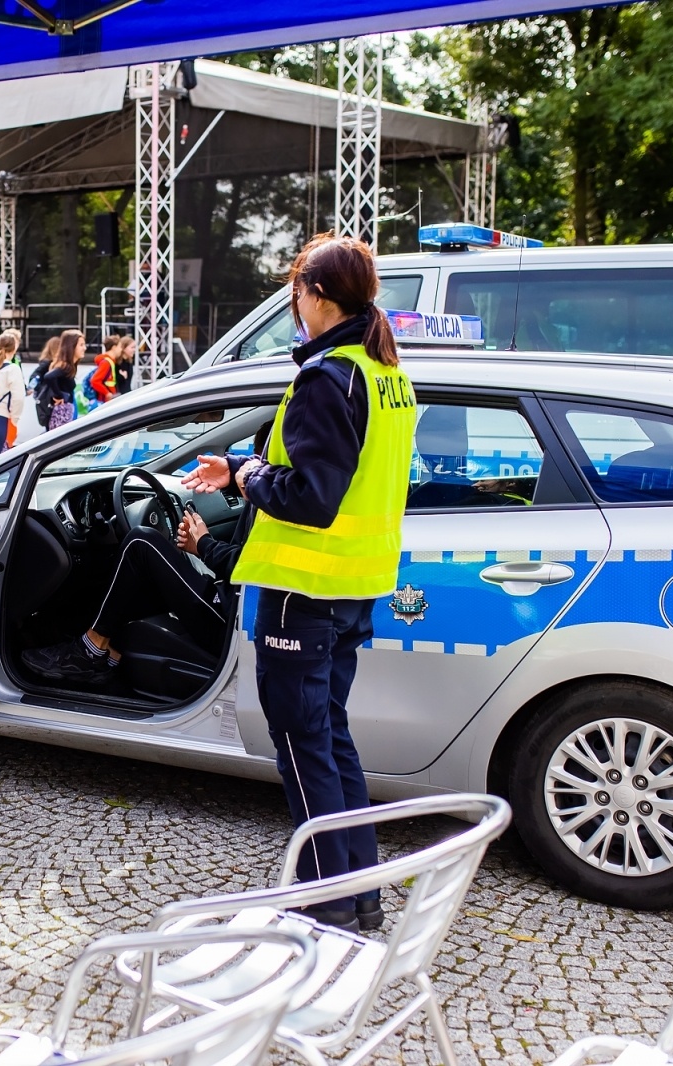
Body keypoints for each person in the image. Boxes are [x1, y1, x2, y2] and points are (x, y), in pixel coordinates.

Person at [183, 234, 416, 934]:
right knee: (328, 738)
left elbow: (313, 496)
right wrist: (244, 463)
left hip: (302, 592)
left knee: (300, 745)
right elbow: (337, 467)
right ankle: (359, 891)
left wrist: (250, 479)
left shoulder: (326, 377)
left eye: (295, 292)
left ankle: (323, 904)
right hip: (354, 585)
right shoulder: (382, 373)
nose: (294, 304)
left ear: (313, 295)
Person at [22, 422, 268, 686]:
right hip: (234, 603)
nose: (248, 468)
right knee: (149, 575)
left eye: (257, 460)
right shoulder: (269, 497)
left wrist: (204, 545)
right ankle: (113, 652)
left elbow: (250, 564)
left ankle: (90, 651)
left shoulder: (278, 505)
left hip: (231, 617)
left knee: (142, 542)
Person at [36, 328, 84, 431]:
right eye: (81, 345)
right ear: (72, 346)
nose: (84, 348)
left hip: (63, 411)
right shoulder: (65, 366)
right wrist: (60, 394)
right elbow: (49, 376)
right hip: (62, 413)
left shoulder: (66, 365)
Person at [84, 335, 120, 408]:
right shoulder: (106, 362)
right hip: (105, 401)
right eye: (120, 347)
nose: (121, 350)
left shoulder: (109, 361)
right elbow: (95, 380)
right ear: (114, 347)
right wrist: (107, 393)